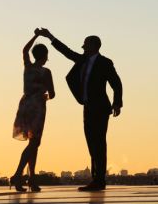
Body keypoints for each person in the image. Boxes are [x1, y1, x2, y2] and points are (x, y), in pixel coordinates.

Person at [37, 27, 123, 191]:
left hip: (100, 108)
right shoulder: (82, 60)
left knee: (99, 143)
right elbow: (66, 51)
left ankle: (99, 180)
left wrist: (117, 103)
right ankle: (96, 179)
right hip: (87, 106)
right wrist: (50, 37)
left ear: (94, 46)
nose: (83, 48)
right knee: (91, 143)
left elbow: (116, 83)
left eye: (85, 45)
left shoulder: (105, 62)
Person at [9, 32, 56, 192]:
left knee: (33, 144)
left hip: (25, 105)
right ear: (46, 56)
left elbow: (24, 50)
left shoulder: (28, 67)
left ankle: (32, 178)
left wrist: (35, 37)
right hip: (38, 107)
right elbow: (53, 93)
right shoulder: (46, 72)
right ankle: (18, 175)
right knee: (35, 143)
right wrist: (44, 97)